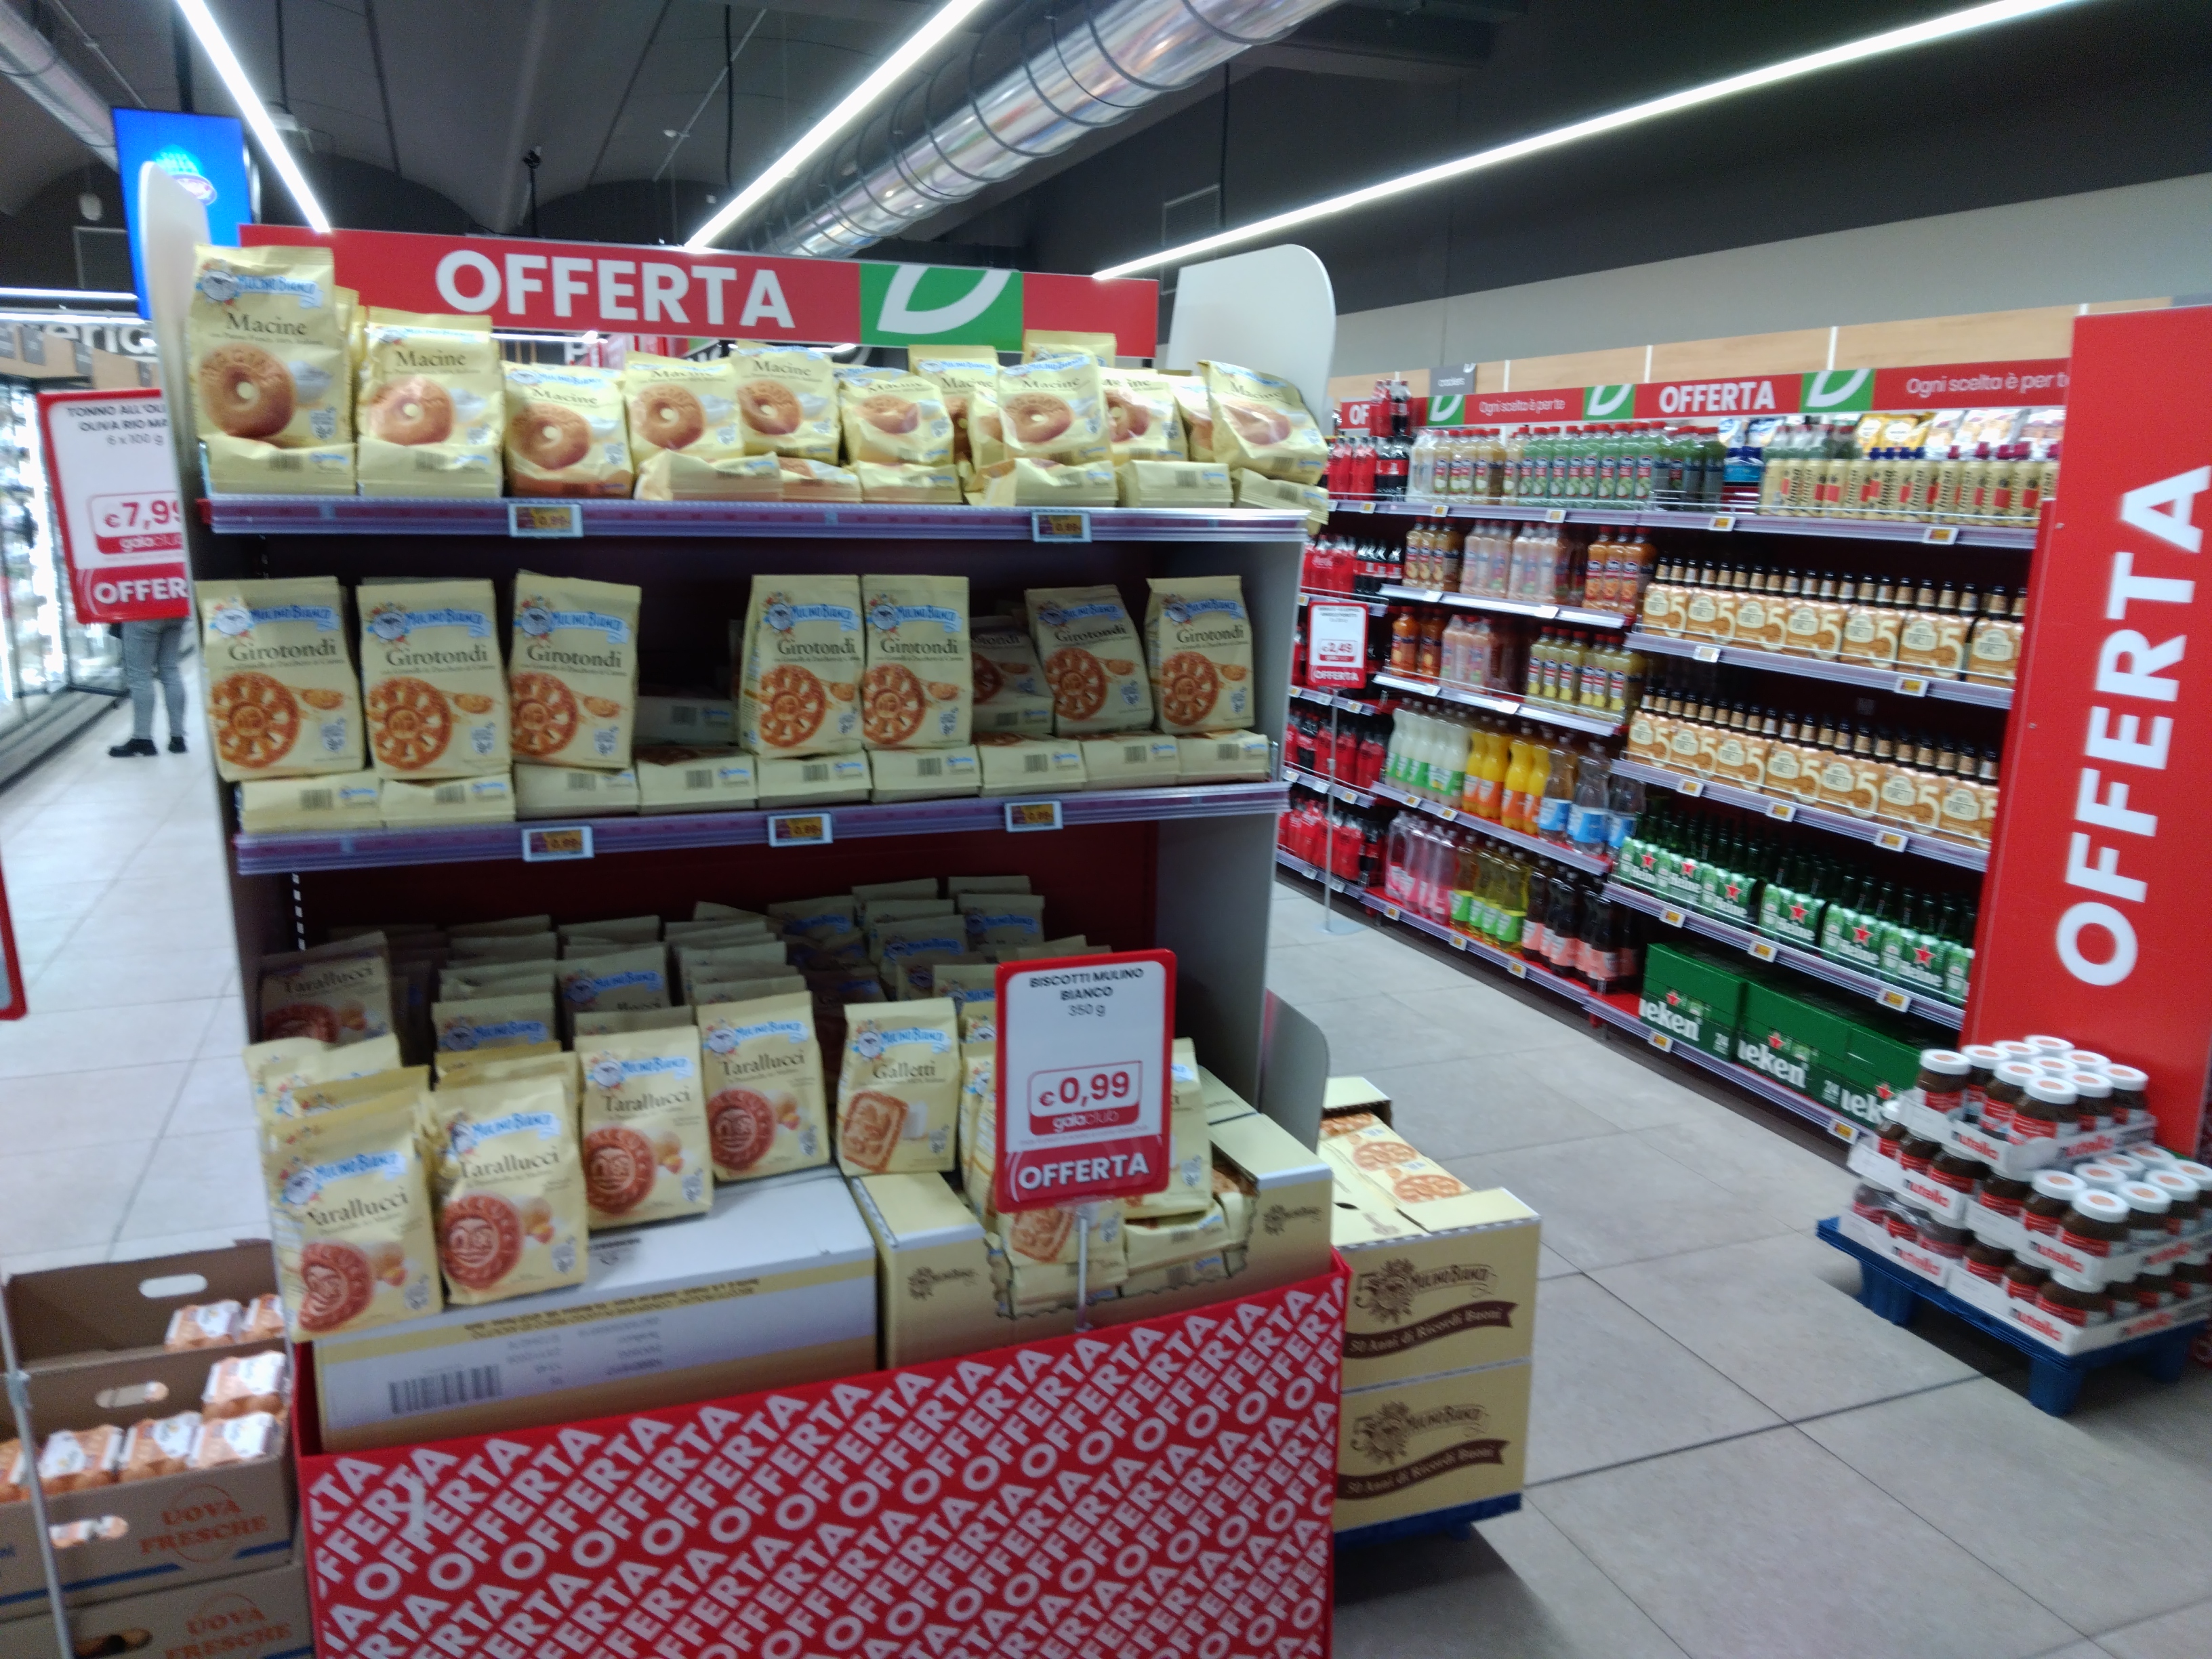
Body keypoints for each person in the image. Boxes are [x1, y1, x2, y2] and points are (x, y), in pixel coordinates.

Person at [109, 616, 189, 758]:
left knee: (140, 676)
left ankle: (142, 739)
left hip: (141, 613)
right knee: (170, 670)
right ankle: (178, 739)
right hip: (175, 611)